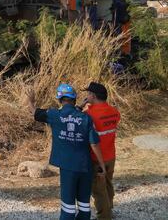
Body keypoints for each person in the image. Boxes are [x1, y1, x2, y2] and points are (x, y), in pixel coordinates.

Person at [28, 84, 106, 220]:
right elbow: (94, 143)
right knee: (84, 205)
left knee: (68, 207)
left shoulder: (53, 115)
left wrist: (31, 101)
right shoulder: (86, 118)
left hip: (68, 167)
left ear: (59, 100)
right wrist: (102, 165)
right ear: (74, 100)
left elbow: (34, 112)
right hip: (85, 166)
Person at [82, 82, 121, 220]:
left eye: (88, 94)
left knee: (99, 191)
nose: (86, 96)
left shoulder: (89, 114)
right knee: (108, 184)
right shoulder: (114, 112)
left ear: (92, 95)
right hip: (111, 156)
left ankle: (104, 217)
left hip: (97, 159)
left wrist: (81, 105)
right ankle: (109, 210)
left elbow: (75, 117)